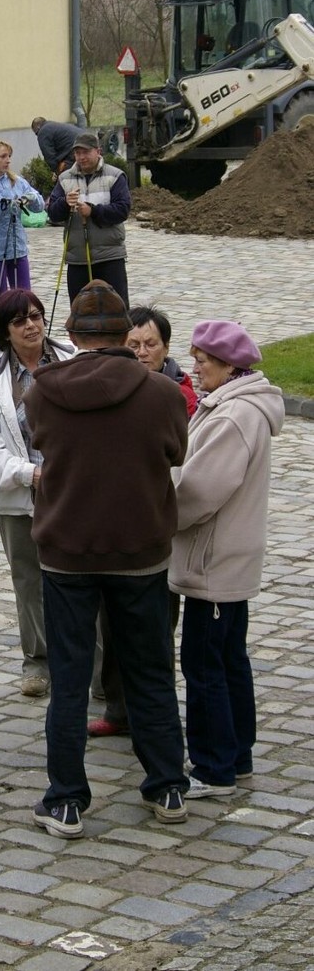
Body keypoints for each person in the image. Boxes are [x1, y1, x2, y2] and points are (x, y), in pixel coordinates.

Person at [26, 280, 189, 838]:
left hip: (67, 551)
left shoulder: (42, 392)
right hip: (140, 549)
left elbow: (42, 442)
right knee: (150, 671)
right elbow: (175, 452)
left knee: (69, 680)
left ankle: (67, 799)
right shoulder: (164, 394)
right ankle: (167, 785)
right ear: (126, 336)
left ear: (70, 336)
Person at [169, 320, 284, 798]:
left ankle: (214, 766)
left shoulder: (232, 416)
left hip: (213, 560)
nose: (196, 368)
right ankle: (237, 756)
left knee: (205, 665)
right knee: (229, 659)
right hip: (227, 556)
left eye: (205, 361)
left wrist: (158, 513)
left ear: (231, 365)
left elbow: (199, 492)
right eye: (195, 358)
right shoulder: (237, 406)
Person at [88, 303, 197, 738]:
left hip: (158, 524)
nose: (141, 351)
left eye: (150, 343)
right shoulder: (113, 387)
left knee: (154, 629)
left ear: (166, 348)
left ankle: (152, 712)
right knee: (111, 623)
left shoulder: (179, 393)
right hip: (114, 524)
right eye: (132, 344)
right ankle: (118, 707)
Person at [0, 287, 74, 697]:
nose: (31, 325)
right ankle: (38, 661)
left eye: (36, 316)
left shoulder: (71, 361)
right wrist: (29, 475)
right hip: (19, 498)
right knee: (29, 582)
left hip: (73, 494)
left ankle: (94, 663)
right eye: (19, 321)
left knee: (80, 579)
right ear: (4, 332)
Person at [0, 140, 45, 348]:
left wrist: (30, 198)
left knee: (24, 297)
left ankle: (27, 342)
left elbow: (40, 203)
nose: (7, 161)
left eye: (9, 156)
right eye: (3, 157)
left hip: (18, 248)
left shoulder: (16, 181)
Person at [46, 131, 131, 306]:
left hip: (109, 256)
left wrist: (93, 211)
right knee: (81, 313)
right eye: (77, 153)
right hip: (77, 258)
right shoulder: (64, 179)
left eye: (86, 152)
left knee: (116, 310)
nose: (81, 157)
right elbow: (52, 213)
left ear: (98, 151)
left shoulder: (115, 176)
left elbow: (122, 210)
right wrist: (64, 203)